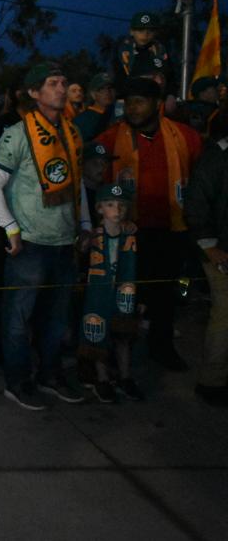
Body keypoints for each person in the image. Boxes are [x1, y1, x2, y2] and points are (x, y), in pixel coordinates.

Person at [0, 62, 90, 410]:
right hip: (29, 244)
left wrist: (84, 225)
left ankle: (49, 374)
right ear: (33, 92)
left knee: (56, 320)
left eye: (63, 82)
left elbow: (77, 185)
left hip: (64, 242)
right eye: (52, 83)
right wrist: (11, 228)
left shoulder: (72, 133)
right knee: (18, 320)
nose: (61, 88)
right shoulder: (18, 133)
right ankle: (18, 381)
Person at [95, 77, 202, 372]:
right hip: (127, 231)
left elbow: (201, 182)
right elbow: (93, 177)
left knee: (165, 295)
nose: (133, 107)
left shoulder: (186, 137)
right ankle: (120, 354)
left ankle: (161, 347)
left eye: (140, 101)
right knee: (126, 296)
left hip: (172, 230)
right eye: (129, 101)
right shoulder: (110, 139)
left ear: (158, 104)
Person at [77, 183, 142, 403]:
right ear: (99, 209)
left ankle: (125, 377)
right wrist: (84, 243)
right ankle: (102, 379)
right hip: (98, 295)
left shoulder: (129, 234)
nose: (117, 210)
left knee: (123, 336)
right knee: (98, 334)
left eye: (122, 205)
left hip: (122, 292)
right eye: (110, 204)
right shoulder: (94, 236)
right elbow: (81, 251)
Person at [184, 117, 228, 406]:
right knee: (224, 315)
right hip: (220, 251)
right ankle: (211, 382)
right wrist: (210, 246)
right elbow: (197, 202)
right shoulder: (217, 157)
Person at [113, 11, 170, 88]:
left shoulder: (161, 50)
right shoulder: (122, 51)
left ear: (155, 33)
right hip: (131, 95)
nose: (145, 34)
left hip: (156, 95)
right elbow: (118, 80)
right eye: (140, 30)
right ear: (131, 32)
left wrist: (170, 95)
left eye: (150, 31)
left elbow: (170, 77)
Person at [73, 73, 117, 142]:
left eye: (110, 88)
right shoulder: (81, 121)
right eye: (101, 89)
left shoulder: (121, 114)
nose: (107, 92)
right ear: (93, 94)